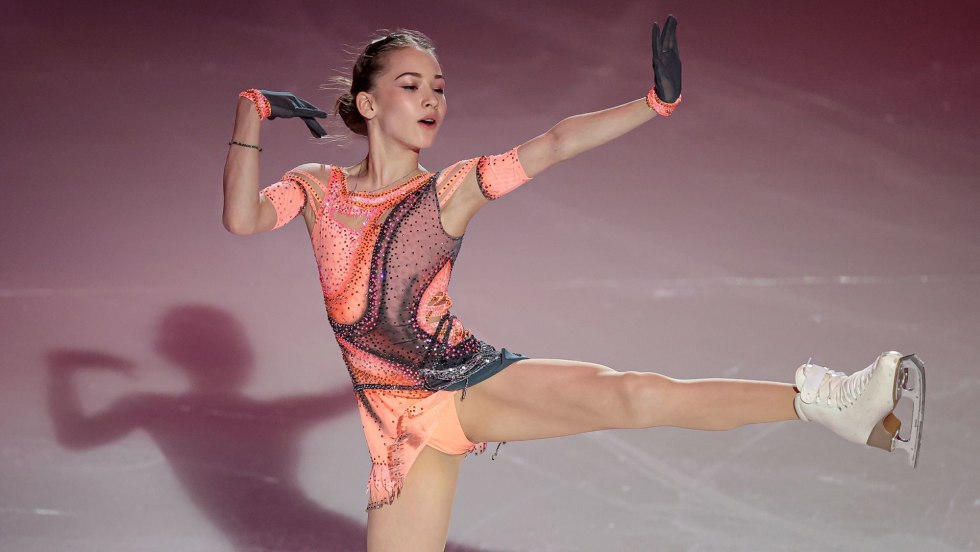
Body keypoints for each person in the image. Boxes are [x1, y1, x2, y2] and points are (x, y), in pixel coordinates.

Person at [221, 17, 925, 552]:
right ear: (367, 105)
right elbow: (243, 219)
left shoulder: (452, 190)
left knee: (631, 394)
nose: (432, 100)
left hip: (463, 380)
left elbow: (551, 144)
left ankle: (831, 402)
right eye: (411, 86)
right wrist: (249, 120)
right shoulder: (319, 189)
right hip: (395, 432)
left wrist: (653, 104)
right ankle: (848, 416)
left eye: (439, 88)